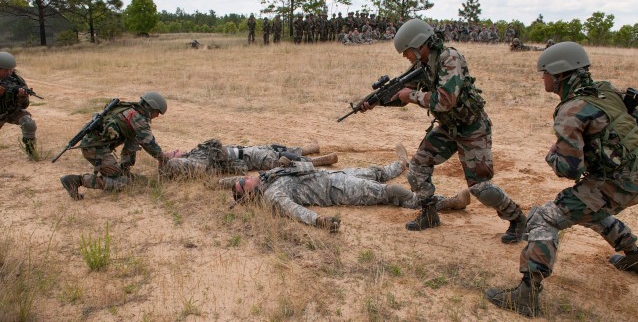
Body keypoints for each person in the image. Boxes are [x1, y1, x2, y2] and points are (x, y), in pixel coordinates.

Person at [485, 42, 638, 317]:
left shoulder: (571, 110)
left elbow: (569, 169)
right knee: (589, 209)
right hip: (632, 175)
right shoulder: (605, 90)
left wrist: (551, 156)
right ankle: (635, 256)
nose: (541, 78)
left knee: (545, 217)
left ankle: (526, 293)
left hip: (618, 182)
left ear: (558, 75)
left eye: (544, 73)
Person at [360, 19, 527, 243]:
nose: (405, 56)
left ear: (420, 45)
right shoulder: (424, 65)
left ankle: (517, 218)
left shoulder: (450, 58)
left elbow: (445, 101)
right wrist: (377, 101)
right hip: (449, 127)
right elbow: (403, 94)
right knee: (418, 166)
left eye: (407, 51)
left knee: (480, 187)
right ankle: (429, 214)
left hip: (472, 128)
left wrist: (410, 95)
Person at [226, 145, 471, 232]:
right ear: (250, 193)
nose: (247, 178)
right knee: (392, 193)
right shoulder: (273, 195)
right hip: (338, 189)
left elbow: (302, 166)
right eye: (243, 183)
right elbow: (294, 210)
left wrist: (290, 161)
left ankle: (401, 163)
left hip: (332, 175)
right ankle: (446, 203)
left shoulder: (268, 177)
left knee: (375, 171)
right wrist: (318, 220)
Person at [60, 92, 170, 200]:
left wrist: (125, 168)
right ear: (151, 108)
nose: (157, 116)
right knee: (123, 182)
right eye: (157, 112)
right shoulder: (137, 119)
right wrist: (164, 159)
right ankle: (76, 181)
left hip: (94, 146)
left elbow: (132, 143)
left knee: (133, 141)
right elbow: (150, 144)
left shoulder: (127, 109)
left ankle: (122, 170)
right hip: (95, 149)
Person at [160, 139, 339, 177]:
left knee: (274, 148)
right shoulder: (196, 160)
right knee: (279, 158)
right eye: (172, 152)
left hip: (245, 151)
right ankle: (319, 161)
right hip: (247, 157)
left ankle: (310, 148)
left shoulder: (196, 154)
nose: (175, 150)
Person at [0, 52, 38, 159]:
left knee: (28, 123)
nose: (9, 72)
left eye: (11, 69)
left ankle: (31, 152)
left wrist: (22, 97)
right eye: (6, 70)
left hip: (11, 112)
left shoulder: (17, 81)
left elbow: (24, 106)